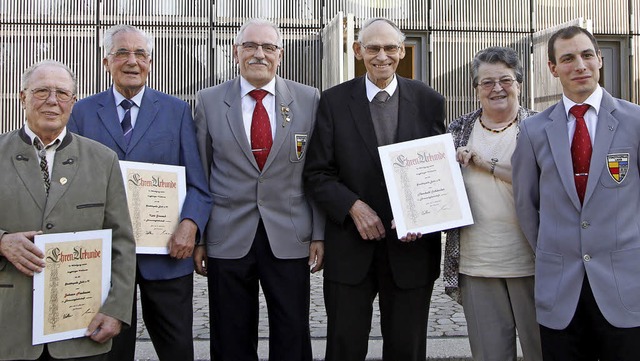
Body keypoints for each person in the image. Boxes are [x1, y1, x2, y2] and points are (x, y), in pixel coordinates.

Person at [303, 17, 445, 361]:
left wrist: (420, 217)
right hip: (350, 249)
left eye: (390, 48)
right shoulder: (333, 102)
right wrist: (354, 207)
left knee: (407, 349)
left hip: (411, 252)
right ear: (357, 51)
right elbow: (317, 173)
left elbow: (437, 173)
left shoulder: (430, 101)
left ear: (402, 50)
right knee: (344, 347)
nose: (382, 56)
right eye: (373, 48)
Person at [67, 24, 212, 361]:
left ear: (150, 61)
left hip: (167, 254)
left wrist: (190, 225)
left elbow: (199, 184)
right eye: (122, 53)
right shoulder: (82, 113)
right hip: (104, 258)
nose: (132, 61)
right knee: (109, 351)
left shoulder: (176, 112)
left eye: (140, 54)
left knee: (177, 349)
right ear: (106, 61)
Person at [193, 18, 324, 361]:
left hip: (290, 233)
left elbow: (318, 172)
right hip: (228, 234)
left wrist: (320, 234)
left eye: (268, 47)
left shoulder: (309, 100)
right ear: (236, 52)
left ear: (280, 55)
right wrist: (201, 239)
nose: (258, 54)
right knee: (230, 332)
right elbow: (201, 175)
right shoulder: (208, 101)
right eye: (249, 46)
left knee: (293, 331)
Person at [512, 25, 640, 360]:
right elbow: (526, 204)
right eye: (567, 58)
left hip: (624, 285)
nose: (579, 65)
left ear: (599, 59)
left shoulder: (635, 121)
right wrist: (552, 248)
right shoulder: (533, 130)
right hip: (561, 287)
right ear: (553, 68)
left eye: (586, 55)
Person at [0, 60, 136, 360]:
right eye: (41, 91)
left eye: (62, 93)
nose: (52, 101)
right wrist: (1, 240)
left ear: (73, 102)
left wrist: (116, 309)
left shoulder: (103, 160)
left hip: (80, 330)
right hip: (8, 328)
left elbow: (122, 242)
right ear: (22, 96)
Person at [444, 46, 542, 361]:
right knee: (489, 355)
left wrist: (485, 165)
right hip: (477, 264)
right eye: (486, 83)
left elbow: (549, 185)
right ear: (476, 90)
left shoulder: (540, 128)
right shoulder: (457, 131)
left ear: (520, 85)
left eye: (505, 80)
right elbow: (437, 188)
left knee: (545, 351)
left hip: (534, 264)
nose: (496, 88)